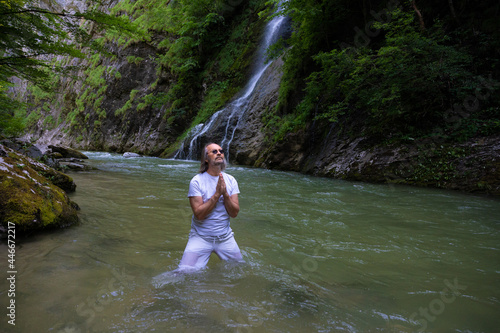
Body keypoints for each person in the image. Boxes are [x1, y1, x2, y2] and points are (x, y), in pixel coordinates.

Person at [178, 142, 244, 271]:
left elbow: (234, 213)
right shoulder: (197, 181)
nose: (219, 153)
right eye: (214, 151)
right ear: (206, 159)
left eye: (221, 151)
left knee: (241, 269)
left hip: (225, 238)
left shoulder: (231, 180)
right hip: (200, 238)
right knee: (183, 272)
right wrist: (216, 194)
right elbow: (199, 214)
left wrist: (225, 194)